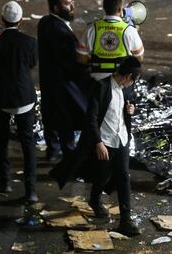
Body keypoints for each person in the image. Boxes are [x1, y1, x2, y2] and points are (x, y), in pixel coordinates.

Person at [51, 57, 142, 236]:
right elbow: (91, 117)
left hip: (122, 139)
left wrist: (131, 110)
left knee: (124, 178)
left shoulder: (126, 89)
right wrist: (98, 143)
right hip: (105, 142)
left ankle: (125, 220)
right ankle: (95, 199)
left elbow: (130, 104)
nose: (132, 84)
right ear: (128, 76)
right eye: (133, 80)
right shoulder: (101, 87)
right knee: (102, 175)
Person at [0, 1, 38, 202]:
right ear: (21, 21)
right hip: (25, 98)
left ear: (2, 20)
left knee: (1, 141)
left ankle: (4, 181)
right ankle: (30, 190)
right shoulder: (30, 42)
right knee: (28, 143)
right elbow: (31, 63)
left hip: (1, 98)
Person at [37, 0, 89, 161]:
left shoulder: (45, 23)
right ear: (56, 8)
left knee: (51, 116)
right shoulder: (60, 32)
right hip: (64, 86)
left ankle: (53, 150)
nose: (72, 5)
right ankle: (69, 158)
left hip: (49, 82)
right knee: (67, 120)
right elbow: (71, 63)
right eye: (67, 3)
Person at [76, 0, 144, 81]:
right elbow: (139, 59)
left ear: (104, 8)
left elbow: (81, 58)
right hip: (121, 81)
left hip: (96, 83)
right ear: (120, 9)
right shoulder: (130, 31)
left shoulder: (91, 28)